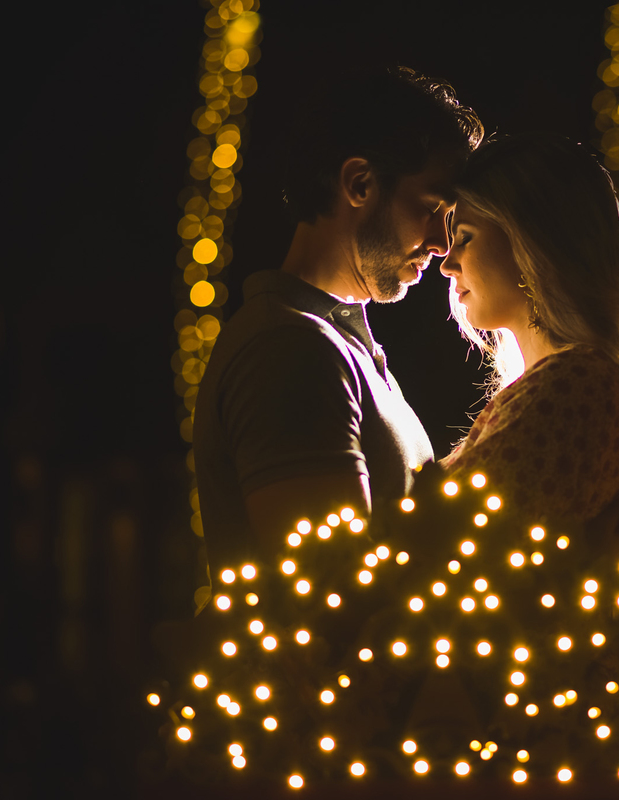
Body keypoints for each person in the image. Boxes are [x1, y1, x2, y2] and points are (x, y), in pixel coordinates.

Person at [191, 67, 483, 585]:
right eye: (434, 207)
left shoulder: (332, 340)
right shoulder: (288, 350)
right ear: (360, 183)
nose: (443, 242)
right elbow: (333, 597)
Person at [438, 132, 619, 548]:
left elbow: (431, 541)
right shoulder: (566, 382)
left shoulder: (577, 385)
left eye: (465, 237)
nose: (446, 263)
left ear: (531, 241)